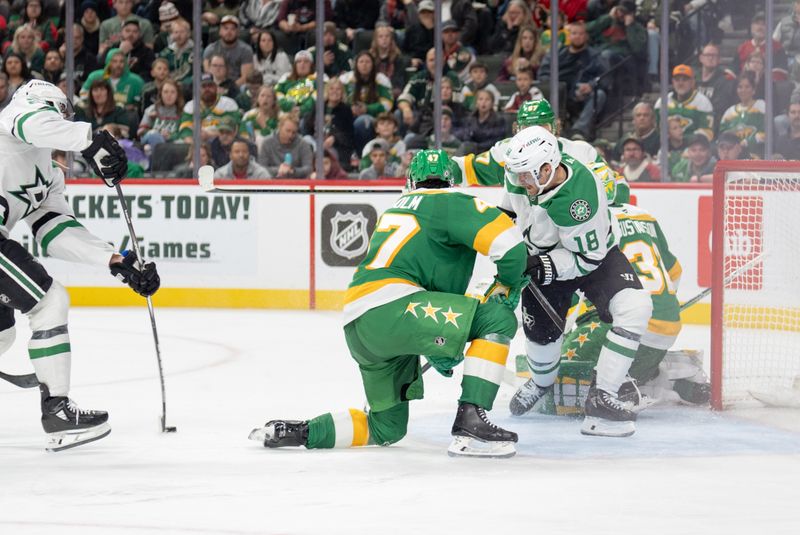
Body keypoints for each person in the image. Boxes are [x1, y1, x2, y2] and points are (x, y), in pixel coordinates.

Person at [249, 149, 529, 458]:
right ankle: (471, 422)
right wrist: (506, 285)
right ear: (450, 178)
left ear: (411, 180)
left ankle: (302, 431)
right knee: (496, 319)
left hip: (360, 324)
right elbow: (512, 247)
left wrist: (437, 341)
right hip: (396, 310)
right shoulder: (452, 201)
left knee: (386, 428)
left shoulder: (398, 207)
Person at [0, 79, 159, 451]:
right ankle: (57, 410)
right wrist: (91, 139)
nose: (64, 122)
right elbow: (35, 123)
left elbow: (53, 230)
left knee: (3, 334)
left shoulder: (49, 174)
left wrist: (116, 260)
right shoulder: (14, 120)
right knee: (50, 302)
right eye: (62, 113)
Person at [503, 126, 652, 437]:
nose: (520, 183)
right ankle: (541, 381)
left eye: (526, 176)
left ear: (547, 168)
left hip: (589, 257)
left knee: (635, 307)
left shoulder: (580, 197)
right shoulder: (520, 174)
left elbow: (587, 260)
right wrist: (503, 251)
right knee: (543, 351)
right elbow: (507, 211)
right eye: (516, 175)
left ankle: (603, 397)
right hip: (540, 257)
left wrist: (540, 265)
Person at [519, 184, 709, 416]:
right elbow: (674, 273)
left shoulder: (588, 220)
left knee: (560, 385)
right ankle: (666, 374)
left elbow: (572, 280)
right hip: (665, 328)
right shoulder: (644, 217)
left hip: (612, 324)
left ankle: (642, 384)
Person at [452, 98, 628, 204]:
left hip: (569, 239)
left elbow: (619, 188)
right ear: (516, 129)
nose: (535, 132)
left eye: (541, 125)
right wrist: (436, 166)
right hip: (528, 244)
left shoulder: (582, 152)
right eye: (528, 126)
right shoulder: (506, 152)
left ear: (555, 127)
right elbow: (465, 169)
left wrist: (601, 196)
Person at [538, 21, 605, 140]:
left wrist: (590, 85)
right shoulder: (557, 54)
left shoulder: (594, 56)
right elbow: (543, 73)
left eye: (581, 34)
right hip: (559, 93)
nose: (577, 36)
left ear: (585, 36)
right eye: (574, 33)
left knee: (599, 94)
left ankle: (579, 130)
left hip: (581, 94)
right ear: (569, 36)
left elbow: (604, 77)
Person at [339, 51, 394, 154]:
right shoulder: (345, 79)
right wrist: (349, 109)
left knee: (363, 121)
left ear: (373, 64)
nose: (364, 65)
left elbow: (388, 104)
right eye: (361, 62)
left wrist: (367, 109)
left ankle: (362, 155)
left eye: (368, 62)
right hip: (348, 115)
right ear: (356, 64)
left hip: (373, 118)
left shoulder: (381, 79)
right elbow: (336, 98)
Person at [654, 64, 714, 144]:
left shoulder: (703, 102)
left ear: (692, 82)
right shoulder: (661, 102)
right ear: (673, 82)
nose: (680, 83)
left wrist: (683, 140)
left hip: (693, 149)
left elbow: (708, 133)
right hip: (667, 147)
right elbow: (657, 130)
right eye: (677, 80)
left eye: (684, 80)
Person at [178, 73, 240, 144]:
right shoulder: (190, 106)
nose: (207, 89)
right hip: (196, 143)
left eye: (210, 86)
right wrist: (194, 146)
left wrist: (209, 134)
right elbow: (185, 130)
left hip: (221, 142)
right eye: (203, 86)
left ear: (216, 87)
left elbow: (234, 129)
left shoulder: (229, 103)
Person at [81, 48, 145, 112]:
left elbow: (138, 104)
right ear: (108, 62)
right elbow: (83, 94)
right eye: (114, 61)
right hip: (97, 113)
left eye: (121, 61)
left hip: (124, 116)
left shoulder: (136, 81)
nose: (118, 65)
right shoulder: (95, 76)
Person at [719, 71, 765, 156]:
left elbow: (766, 134)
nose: (743, 90)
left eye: (747, 87)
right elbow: (723, 137)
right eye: (740, 87)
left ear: (754, 90)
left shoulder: (762, 107)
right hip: (732, 157)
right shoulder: (729, 112)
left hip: (756, 156)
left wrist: (746, 143)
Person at [202, 15, 254, 88]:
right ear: (220, 31)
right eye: (225, 28)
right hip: (213, 86)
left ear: (238, 32)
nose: (229, 32)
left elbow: (245, 77)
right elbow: (208, 74)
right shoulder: (210, 49)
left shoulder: (246, 50)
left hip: (236, 87)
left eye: (233, 29)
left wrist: (229, 89)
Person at [695, 43, 736, 126]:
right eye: (707, 55)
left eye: (714, 55)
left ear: (719, 59)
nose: (710, 58)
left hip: (714, 123)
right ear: (701, 58)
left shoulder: (725, 79)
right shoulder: (693, 78)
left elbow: (720, 107)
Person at [138, 78, 183, 154]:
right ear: (160, 94)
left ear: (177, 94)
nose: (169, 95)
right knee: (154, 136)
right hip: (152, 144)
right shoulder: (151, 110)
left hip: (172, 146)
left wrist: (170, 136)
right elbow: (140, 132)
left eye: (172, 92)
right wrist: (157, 133)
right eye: (165, 92)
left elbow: (185, 134)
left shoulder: (183, 112)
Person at [459, 89, 506, 155]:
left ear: (492, 103)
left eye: (487, 100)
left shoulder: (499, 120)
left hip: (490, 154)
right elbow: (466, 138)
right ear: (476, 102)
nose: (483, 102)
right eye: (480, 99)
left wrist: (476, 146)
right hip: (472, 153)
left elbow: (496, 141)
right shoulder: (470, 119)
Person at [158, 18, 194, 89]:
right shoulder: (165, 53)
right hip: (168, 85)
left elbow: (197, 74)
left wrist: (184, 83)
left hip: (188, 87)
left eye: (182, 32)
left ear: (188, 33)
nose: (178, 35)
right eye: (176, 32)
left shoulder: (196, 51)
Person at [242, 85, 280, 149]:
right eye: (262, 96)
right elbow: (243, 134)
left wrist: (264, 125)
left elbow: (277, 140)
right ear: (257, 99)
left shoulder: (279, 117)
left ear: (274, 101)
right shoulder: (249, 115)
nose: (265, 99)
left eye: (269, 96)